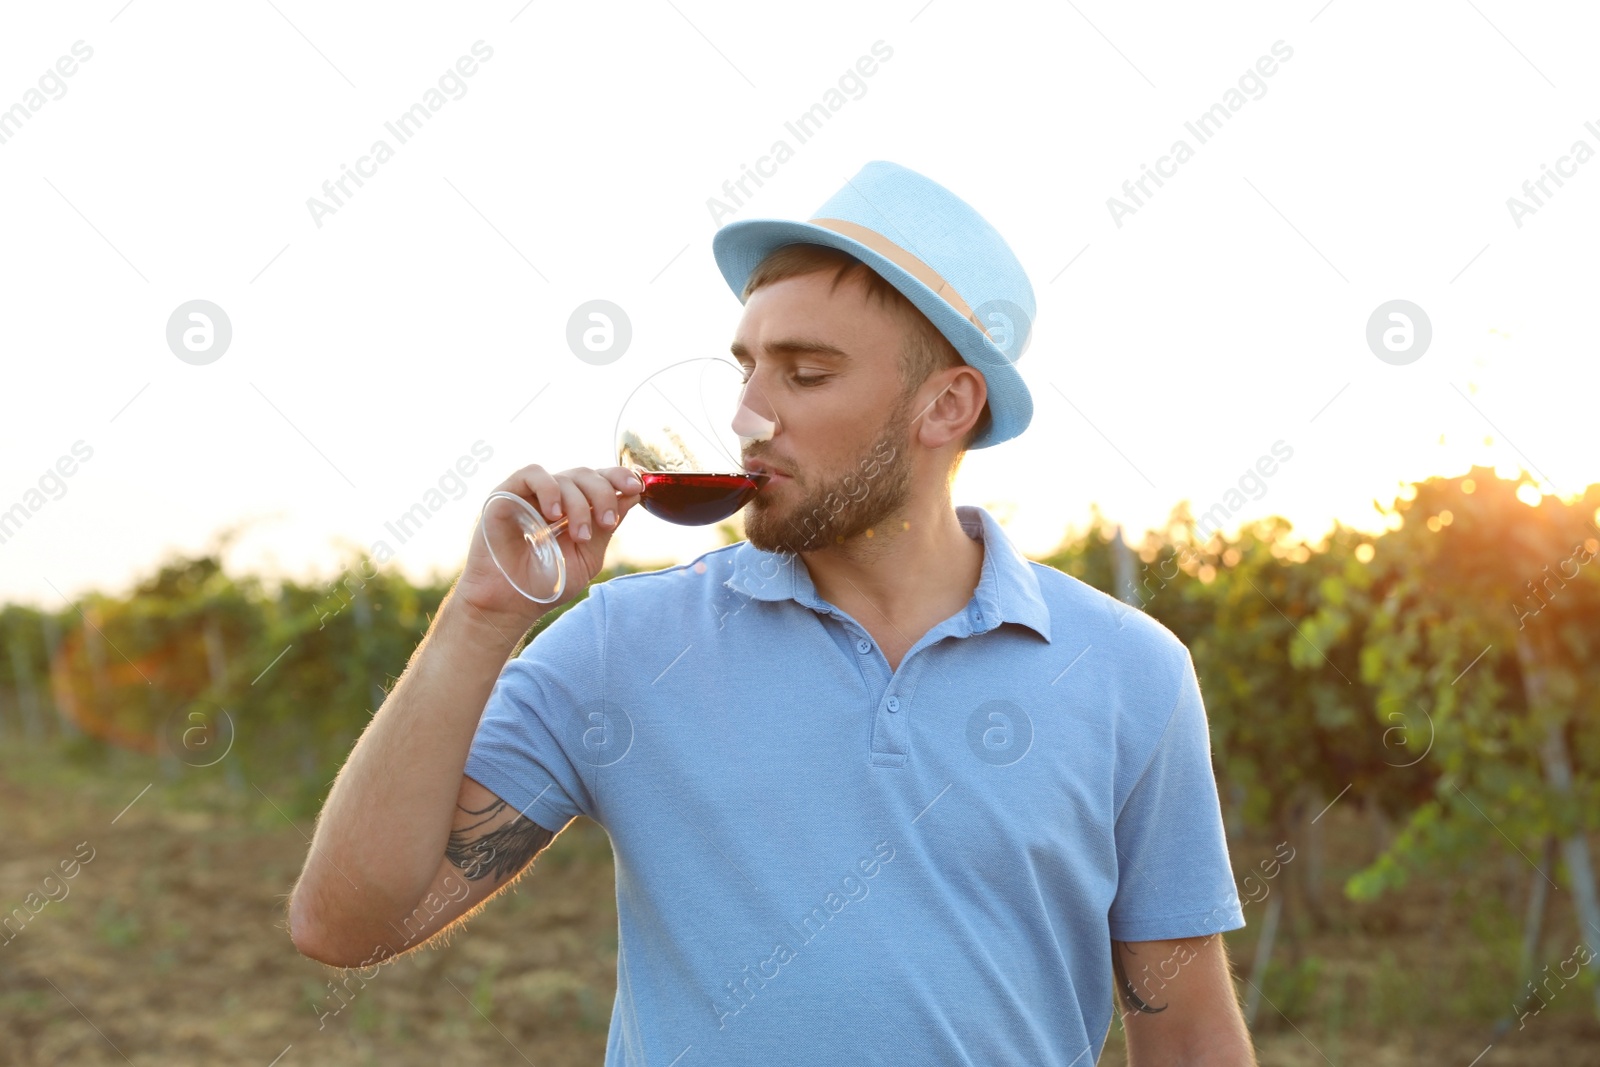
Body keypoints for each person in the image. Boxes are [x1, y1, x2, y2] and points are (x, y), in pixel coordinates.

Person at [288, 161, 1257, 1065]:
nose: (748, 413)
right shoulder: (623, 645)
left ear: (946, 405)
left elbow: (1190, 1033)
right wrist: (483, 614)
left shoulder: (1128, 669)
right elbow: (346, 925)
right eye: (744, 368)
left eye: (804, 373)